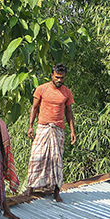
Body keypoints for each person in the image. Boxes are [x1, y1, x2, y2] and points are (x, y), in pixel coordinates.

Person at [26, 63, 76, 202]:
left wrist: (72, 131)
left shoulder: (67, 92)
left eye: (62, 78)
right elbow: (34, 108)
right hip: (43, 127)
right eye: (57, 77)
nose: (60, 80)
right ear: (52, 75)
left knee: (56, 160)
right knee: (37, 156)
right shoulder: (41, 89)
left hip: (58, 129)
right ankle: (30, 187)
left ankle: (56, 191)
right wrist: (30, 126)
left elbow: (69, 112)